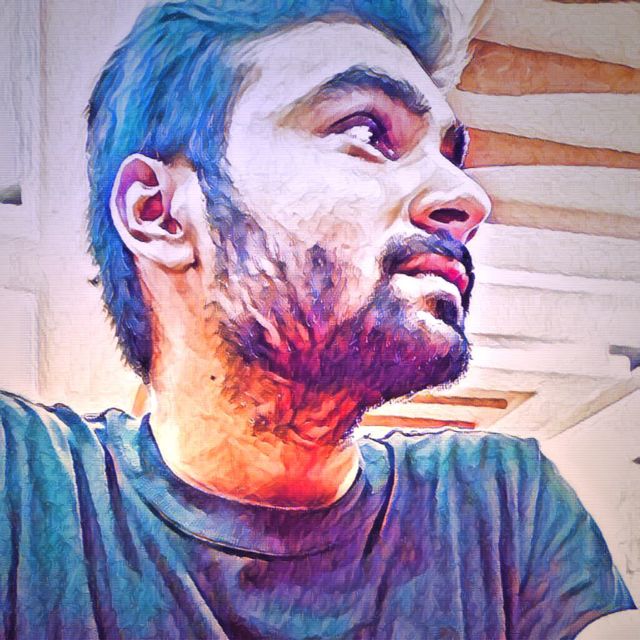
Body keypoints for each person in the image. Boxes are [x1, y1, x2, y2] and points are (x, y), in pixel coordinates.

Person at [0, 1, 636, 638]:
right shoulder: (26, 491)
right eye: (366, 132)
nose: (469, 200)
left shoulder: (501, 507)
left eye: (450, 157)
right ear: (159, 215)